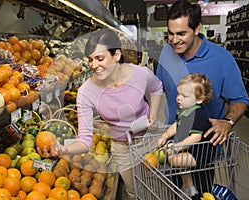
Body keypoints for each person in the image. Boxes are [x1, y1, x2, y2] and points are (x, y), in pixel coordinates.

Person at [38, 28, 163, 199]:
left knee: (153, 185)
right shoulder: (86, 92)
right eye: (90, 60)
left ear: (116, 55)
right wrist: (63, 149)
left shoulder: (139, 74)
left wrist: (153, 116)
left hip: (148, 139)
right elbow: (85, 139)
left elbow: (157, 87)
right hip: (122, 146)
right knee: (134, 192)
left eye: (100, 58)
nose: (94, 65)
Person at [156, 0, 249, 194]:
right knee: (173, 191)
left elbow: (241, 100)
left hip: (203, 150)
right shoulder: (166, 53)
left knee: (202, 193)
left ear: (197, 28)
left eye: (181, 34)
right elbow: (157, 87)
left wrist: (228, 122)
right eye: (171, 33)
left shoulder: (222, 59)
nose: (174, 40)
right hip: (173, 141)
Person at [158, 73, 216, 199]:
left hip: (201, 153)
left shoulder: (198, 114)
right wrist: (165, 135)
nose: (179, 98)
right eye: (178, 94)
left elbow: (196, 137)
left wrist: (177, 147)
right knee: (176, 160)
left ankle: (189, 187)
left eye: (184, 96)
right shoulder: (184, 111)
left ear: (199, 99)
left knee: (173, 159)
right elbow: (176, 125)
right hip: (190, 149)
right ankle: (189, 187)